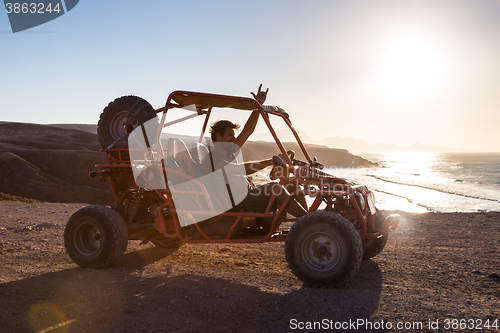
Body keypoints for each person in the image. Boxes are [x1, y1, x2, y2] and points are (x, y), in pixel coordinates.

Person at [202, 85, 308, 230]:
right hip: (236, 205)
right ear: (218, 136)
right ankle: (312, 221)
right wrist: (269, 162)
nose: (233, 139)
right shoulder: (214, 159)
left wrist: (258, 107)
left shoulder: (228, 151)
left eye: (234, 136)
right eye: (230, 136)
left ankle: (309, 220)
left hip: (245, 197)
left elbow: (247, 132)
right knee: (276, 188)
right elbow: (241, 169)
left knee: (293, 185)